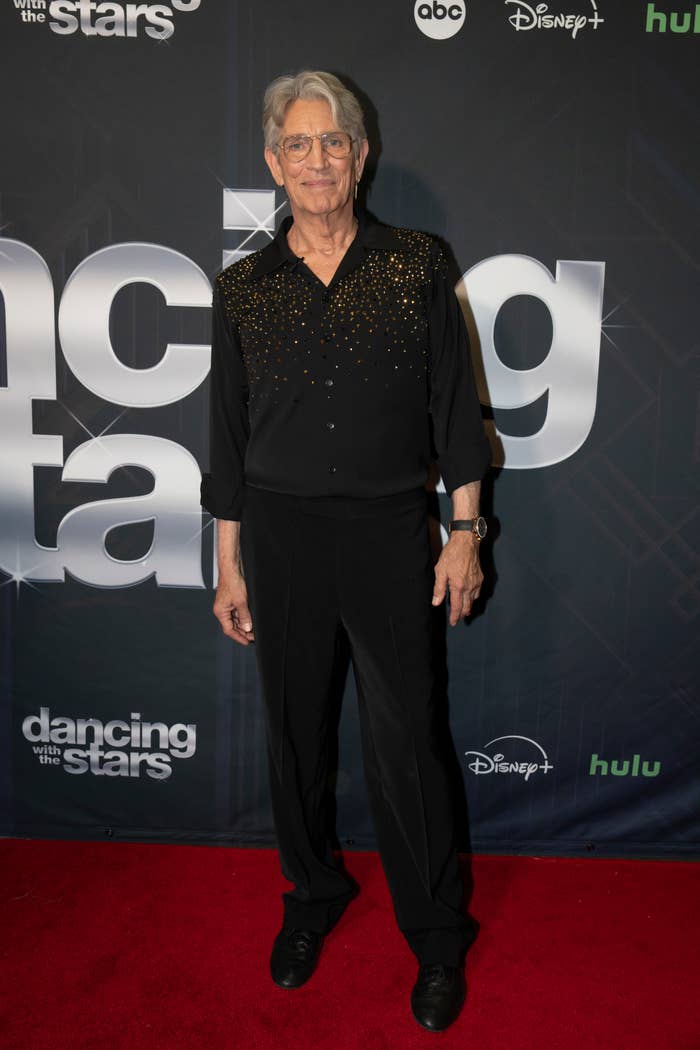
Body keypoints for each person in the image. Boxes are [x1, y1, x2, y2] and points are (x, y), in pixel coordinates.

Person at [200, 69, 491, 1033]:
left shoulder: (414, 262)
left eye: (335, 142)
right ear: (272, 161)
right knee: (293, 740)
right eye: (299, 143)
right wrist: (227, 559)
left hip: (387, 535)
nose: (317, 160)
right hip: (279, 538)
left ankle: (437, 938)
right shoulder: (243, 287)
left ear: (361, 156)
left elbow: (456, 415)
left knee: (407, 742)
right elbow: (228, 440)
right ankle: (312, 898)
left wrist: (464, 531)